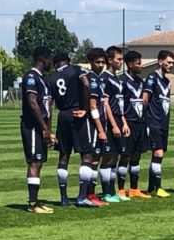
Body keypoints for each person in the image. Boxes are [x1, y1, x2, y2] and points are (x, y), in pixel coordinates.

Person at [49, 51, 104, 207]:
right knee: (86, 155)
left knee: (63, 156)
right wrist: (85, 108)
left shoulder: (51, 78)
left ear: (55, 64)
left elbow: (49, 104)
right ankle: (81, 197)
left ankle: (64, 198)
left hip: (62, 116)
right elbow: (86, 84)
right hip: (77, 115)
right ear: (68, 60)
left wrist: (49, 129)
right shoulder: (76, 69)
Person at [20, 46, 54, 214]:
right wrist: (44, 128)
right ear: (42, 58)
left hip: (40, 126)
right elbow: (33, 103)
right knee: (34, 161)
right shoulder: (31, 77)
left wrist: (48, 130)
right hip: (32, 126)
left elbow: (47, 105)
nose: (50, 62)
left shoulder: (42, 79)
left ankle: (36, 201)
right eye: (49, 59)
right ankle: (32, 203)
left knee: (39, 162)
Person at [83, 48, 116, 206]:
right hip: (94, 126)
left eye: (103, 62)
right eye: (97, 62)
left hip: (101, 123)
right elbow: (93, 106)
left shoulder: (98, 79)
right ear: (91, 62)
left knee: (97, 159)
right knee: (93, 160)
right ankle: (89, 194)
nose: (101, 65)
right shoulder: (92, 80)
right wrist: (101, 130)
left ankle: (91, 194)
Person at [141, 50, 174, 197]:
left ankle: (151, 187)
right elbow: (145, 99)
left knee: (159, 154)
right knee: (158, 153)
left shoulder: (167, 81)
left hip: (163, 122)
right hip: (153, 121)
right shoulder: (152, 78)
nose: (171, 65)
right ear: (160, 62)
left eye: (172, 63)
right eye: (169, 62)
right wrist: (146, 118)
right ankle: (159, 187)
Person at [100, 46, 131, 202]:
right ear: (110, 60)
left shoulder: (116, 78)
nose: (121, 62)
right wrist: (113, 125)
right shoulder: (104, 78)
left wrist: (124, 122)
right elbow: (106, 104)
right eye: (118, 59)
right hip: (110, 121)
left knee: (115, 157)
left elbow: (119, 104)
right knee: (108, 157)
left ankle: (113, 191)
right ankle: (106, 192)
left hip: (119, 119)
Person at [119, 50, 151, 198]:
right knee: (125, 156)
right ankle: (120, 189)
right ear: (130, 64)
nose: (141, 66)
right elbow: (119, 105)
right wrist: (123, 122)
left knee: (137, 156)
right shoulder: (122, 81)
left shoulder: (140, 82)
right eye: (138, 63)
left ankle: (134, 189)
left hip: (140, 123)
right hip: (128, 123)